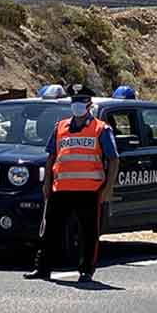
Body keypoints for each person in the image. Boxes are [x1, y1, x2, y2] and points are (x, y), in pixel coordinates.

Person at [25, 84, 120, 283]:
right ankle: (43, 268)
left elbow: (113, 160)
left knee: (89, 232)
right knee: (50, 230)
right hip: (61, 189)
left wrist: (108, 188)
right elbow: (51, 157)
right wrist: (47, 184)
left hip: (90, 190)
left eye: (81, 101)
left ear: (89, 104)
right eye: (74, 101)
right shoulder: (60, 127)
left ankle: (86, 271)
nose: (77, 105)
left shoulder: (101, 129)